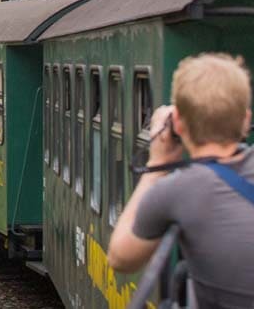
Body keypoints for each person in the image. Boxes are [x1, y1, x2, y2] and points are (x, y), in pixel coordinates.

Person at [108, 53, 254, 308]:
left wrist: (155, 168)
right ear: (246, 120)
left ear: (177, 123)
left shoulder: (175, 190)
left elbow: (120, 258)